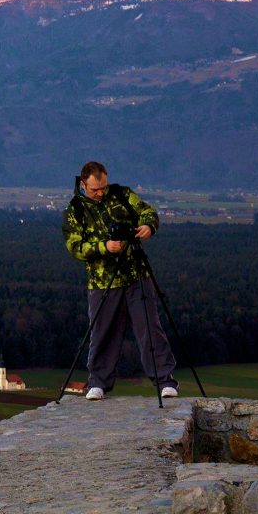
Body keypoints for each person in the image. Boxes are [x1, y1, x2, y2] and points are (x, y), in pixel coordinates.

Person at [62, 161, 178, 401]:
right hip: (103, 281)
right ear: (83, 184)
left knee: (150, 329)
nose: (101, 192)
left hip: (136, 274)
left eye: (103, 186)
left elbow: (148, 212)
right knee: (103, 333)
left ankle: (165, 381)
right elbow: (74, 246)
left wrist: (148, 226)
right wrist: (104, 247)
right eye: (95, 189)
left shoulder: (122, 195)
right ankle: (98, 383)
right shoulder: (75, 210)